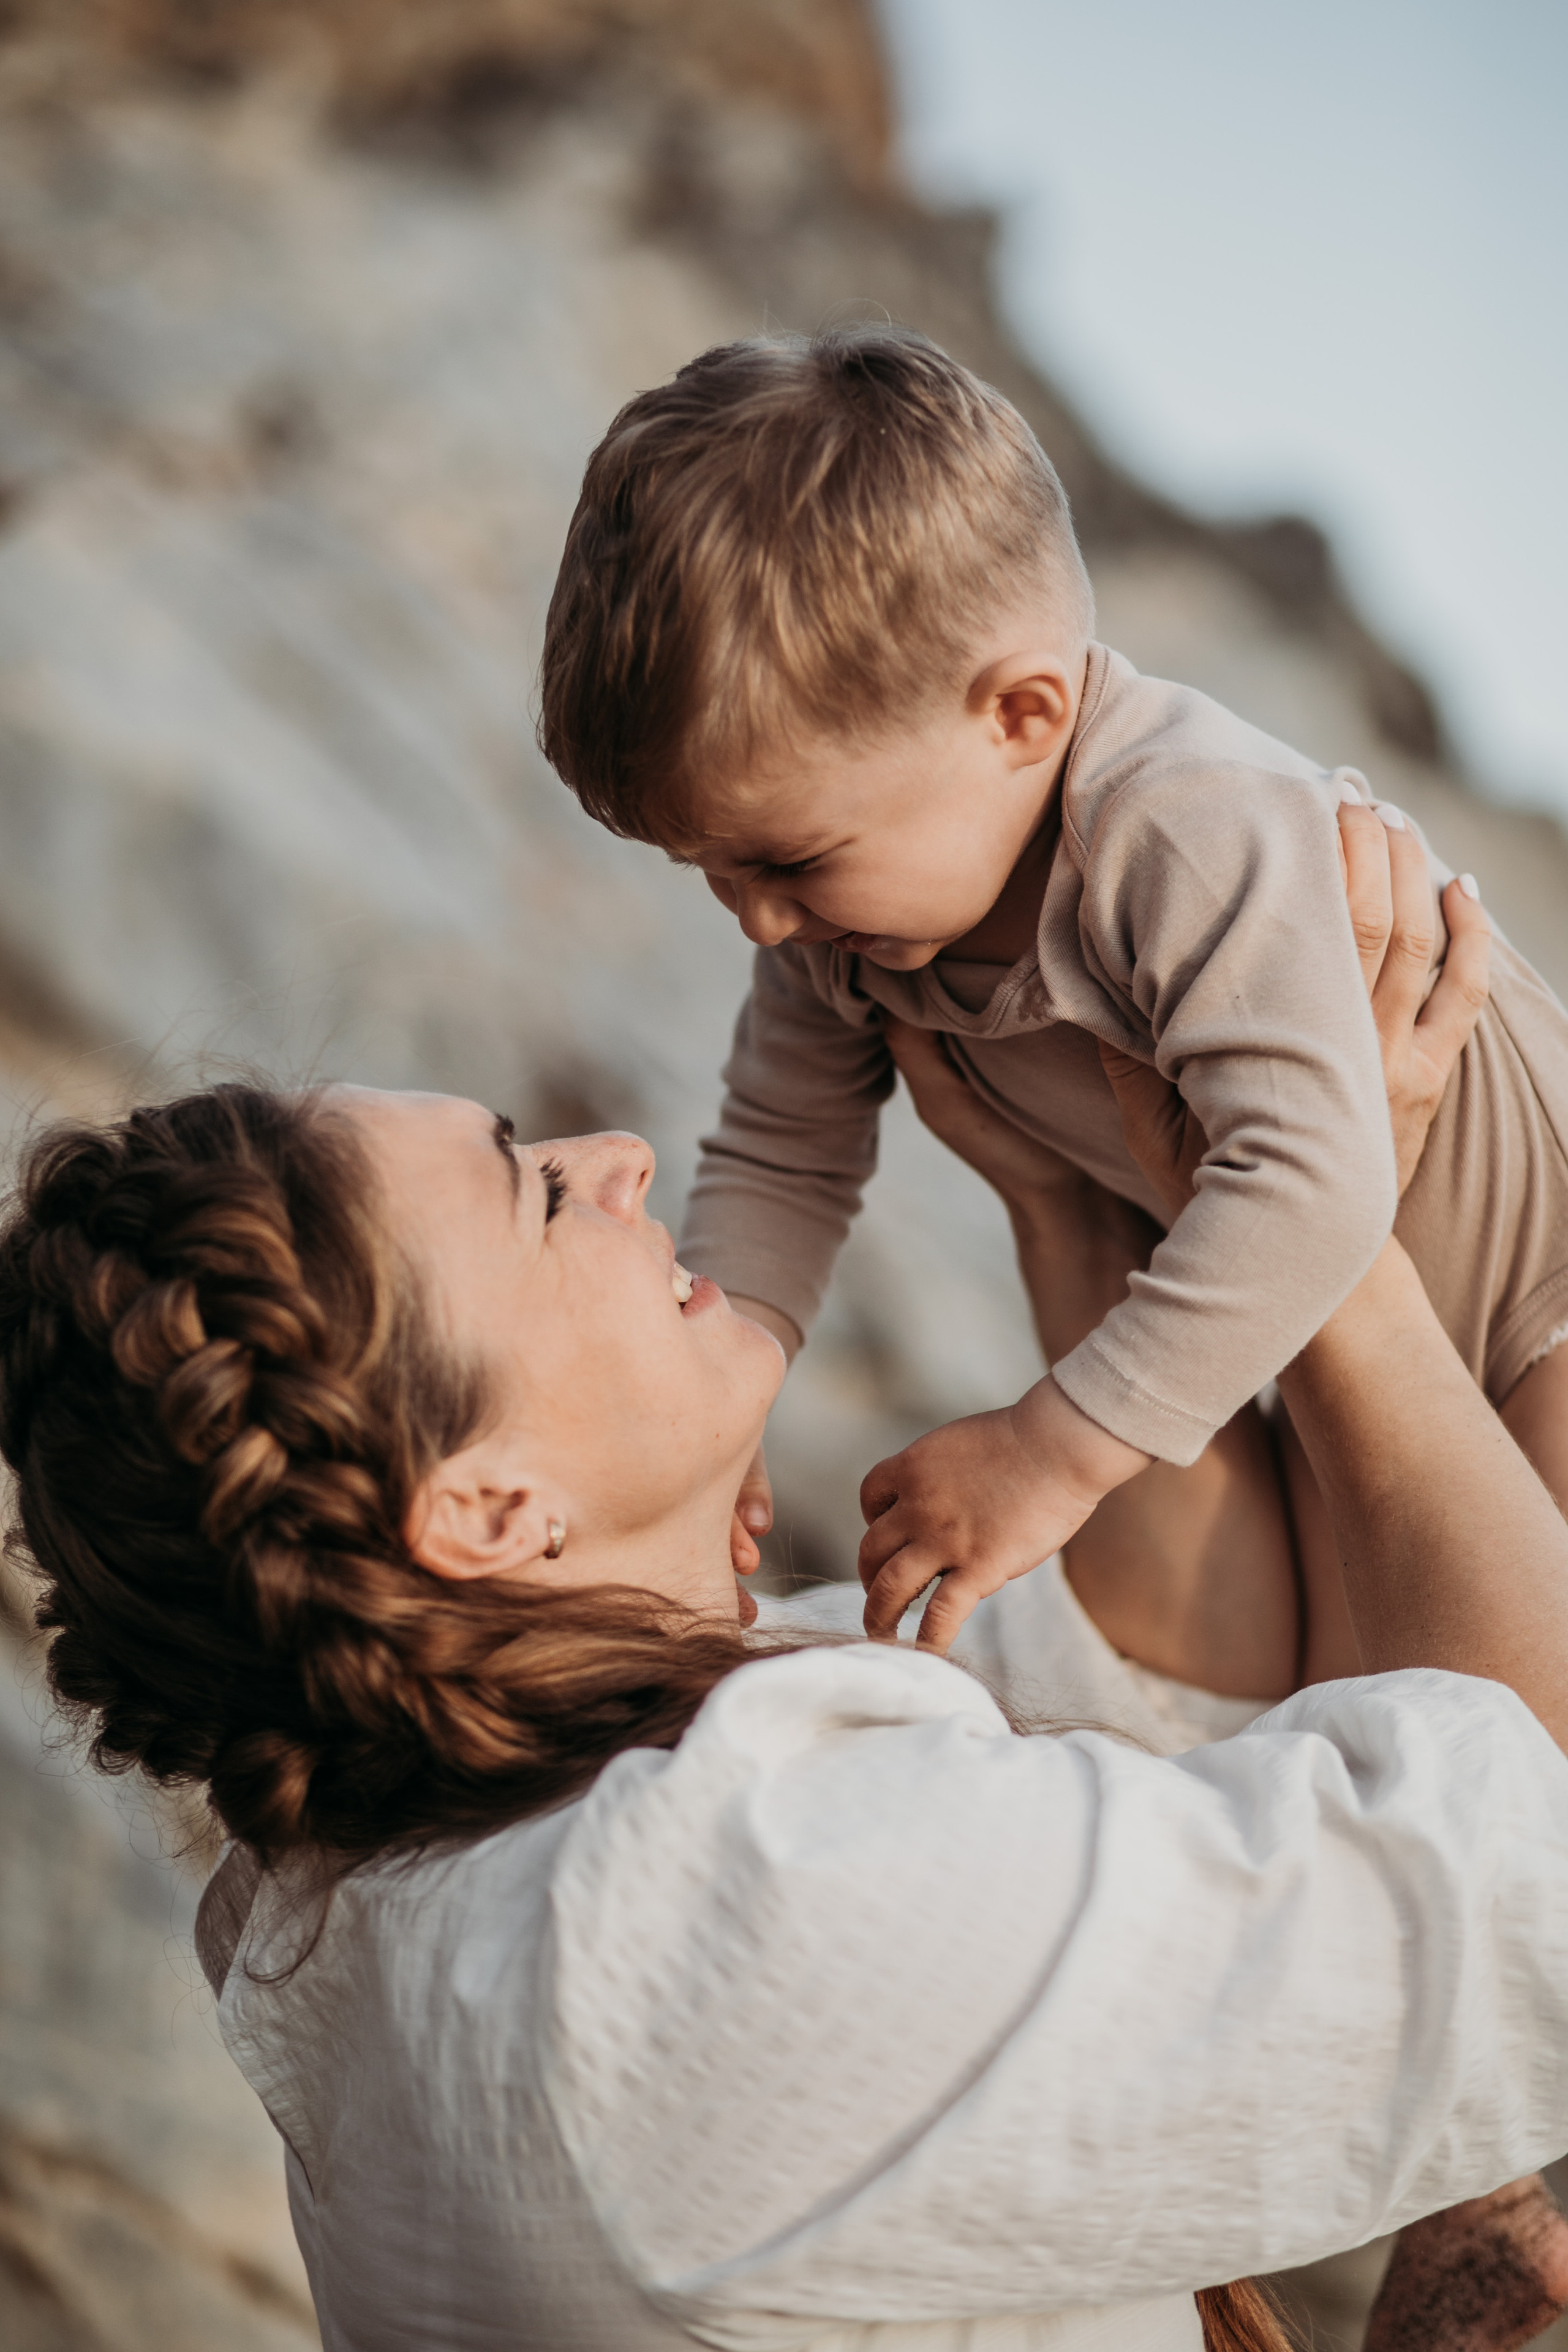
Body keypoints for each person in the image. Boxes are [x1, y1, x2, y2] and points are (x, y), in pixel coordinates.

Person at [2, 844, 1568, 2352]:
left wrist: (1061, 1195)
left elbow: (1162, 1667)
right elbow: (1535, 1854)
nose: (613, 1160)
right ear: (490, 1508)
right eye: (534, 1200)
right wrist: (1330, 1218)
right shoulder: (700, 1918)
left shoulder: (435, 1851)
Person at [537, 322, 1568, 1658]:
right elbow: (779, 1154)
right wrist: (724, 1406)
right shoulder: (842, 931)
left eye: (786, 860)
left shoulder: (1176, 829)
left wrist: (1050, 1451)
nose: (758, 917)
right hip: (1340, 1345)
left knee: (1519, 1755)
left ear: (1017, 717)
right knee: (1342, 1687)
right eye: (710, 870)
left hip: (1544, 1299)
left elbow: (1311, 1180)